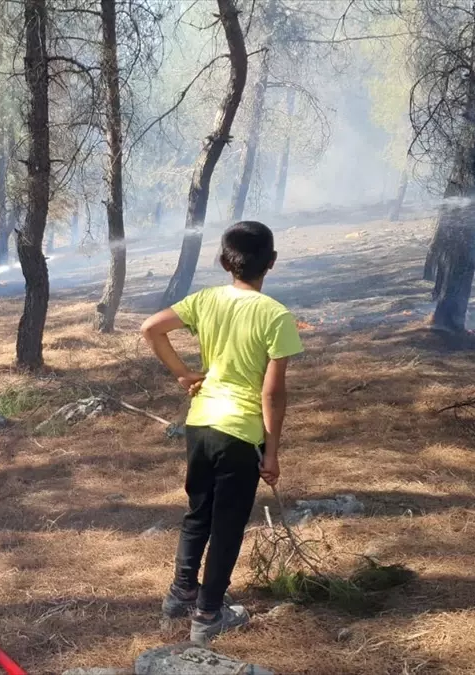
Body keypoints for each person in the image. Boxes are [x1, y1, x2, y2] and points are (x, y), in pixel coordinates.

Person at [140, 221, 303, 645]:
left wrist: (183, 374)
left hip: (201, 425)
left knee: (198, 513)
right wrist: (271, 451)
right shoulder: (276, 316)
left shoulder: (206, 300)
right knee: (227, 525)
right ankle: (208, 614)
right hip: (239, 434)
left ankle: (181, 593)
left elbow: (150, 329)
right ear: (271, 262)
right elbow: (272, 393)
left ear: (223, 261)